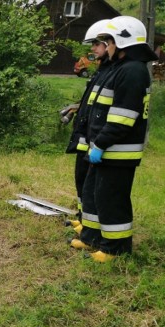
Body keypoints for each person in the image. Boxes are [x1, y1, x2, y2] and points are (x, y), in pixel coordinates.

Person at [78, 16, 158, 262]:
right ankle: (93, 238)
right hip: (108, 148)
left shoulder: (132, 71)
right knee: (97, 194)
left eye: (109, 41)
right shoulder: (123, 69)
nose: (106, 47)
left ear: (121, 42)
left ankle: (116, 249)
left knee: (113, 199)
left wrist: (101, 143)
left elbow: (124, 116)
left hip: (118, 150)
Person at [61, 19, 111, 243]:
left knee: (90, 185)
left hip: (94, 140)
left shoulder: (112, 72)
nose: (93, 49)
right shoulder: (101, 71)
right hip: (85, 138)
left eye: (98, 44)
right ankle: (83, 218)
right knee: (81, 180)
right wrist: (74, 108)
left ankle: (89, 226)